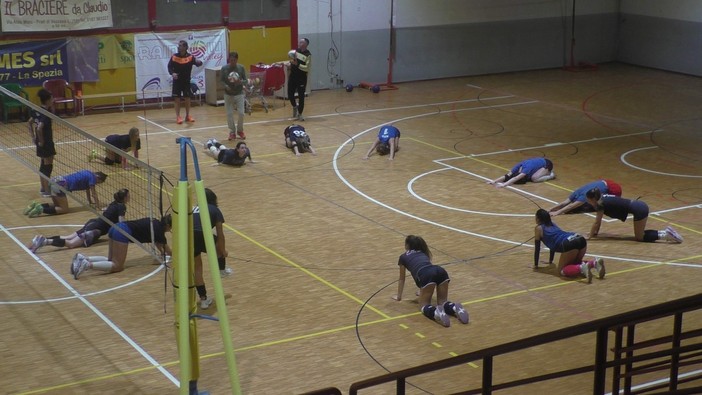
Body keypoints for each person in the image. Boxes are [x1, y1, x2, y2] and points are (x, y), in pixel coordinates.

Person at [391, 235, 469, 327]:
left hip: (426, 275)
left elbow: (402, 279)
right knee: (443, 302)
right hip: (440, 271)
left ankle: (436, 312)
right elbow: (428, 270)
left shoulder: (403, 257)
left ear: (407, 245)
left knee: (423, 306)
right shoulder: (423, 253)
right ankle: (455, 307)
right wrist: (422, 290)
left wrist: (399, 296)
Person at [71, 215, 173, 279]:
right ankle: (87, 265)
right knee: (117, 266)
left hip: (116, 227)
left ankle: (83, 258)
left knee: (111, 260)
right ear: (168, 226)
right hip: (123, 233)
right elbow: (168, 252)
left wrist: (162, 254)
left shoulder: (154, 222)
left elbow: (160, 246)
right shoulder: (160, 232)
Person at [29, 189, 130, 253]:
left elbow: (107, 211)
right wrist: (128, 235)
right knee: (71, 244)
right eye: (128, 195)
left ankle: (41, 239)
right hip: (94, 229)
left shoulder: (114, 203)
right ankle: (45, 241)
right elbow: (121, 223)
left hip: (92, 223)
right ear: (125, 197)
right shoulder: (121, 206)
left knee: (68, 237)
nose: (129, 197)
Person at [585, 188, 683, 243]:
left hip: (639, 210)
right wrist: (595, 233)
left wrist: (590, 236)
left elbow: (597, 221)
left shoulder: (600, 204)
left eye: (588, 200)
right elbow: (599, 221)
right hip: (639, 205)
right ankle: (665, 232)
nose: (587, 202)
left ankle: (667, 235)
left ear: (593, 199)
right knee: (640, 234)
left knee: (640, 237)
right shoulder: (603, 197)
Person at [534, 208, 605, 283]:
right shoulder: (553, 224)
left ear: (538, 219)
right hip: (579, 238)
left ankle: (581, 268)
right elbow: (552, 244)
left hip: (569, 243)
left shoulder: (538, 228)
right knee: (575, 263)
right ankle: (594, 263)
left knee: (561, 271)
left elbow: (537, 248)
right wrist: (550, 261)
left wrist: (536, 265)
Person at [192, 188, 230, 309]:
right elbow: (220, 234)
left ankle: (203, 300)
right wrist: (223, 251)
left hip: (188, 238)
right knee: (218, 244)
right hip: (202, 234)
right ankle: (222, 270)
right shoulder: (215, 210)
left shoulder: (193, 208)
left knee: (197, 268)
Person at [24, 170, 108, 217]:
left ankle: (35, 205)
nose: (97, 183)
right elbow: (94, 193)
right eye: (99, 182)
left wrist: (90, 202)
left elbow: (88, 190)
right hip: (60, 185)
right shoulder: (92, 178)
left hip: (55, 181)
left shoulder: (88, 172)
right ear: (98, 178)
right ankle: (41, 209)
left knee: (57, 205)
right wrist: (98, 207)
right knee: (64, 209)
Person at [168, 40, 203, 124]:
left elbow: (198, 63)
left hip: (186, 81)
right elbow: (169, 67)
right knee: (177, 99)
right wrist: (172, 73)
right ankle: (178, 117)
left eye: (180, 46)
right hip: (177, 81)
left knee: (187, 98)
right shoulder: (174, 57)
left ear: (185, 47)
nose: (178, 47)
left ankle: (187, 116)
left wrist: (199, 62)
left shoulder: (190, 57)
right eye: (178, 45)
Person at [29, 88, 56, 197]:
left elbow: (29, 122)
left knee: (43, 164)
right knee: (48, 166)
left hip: (40, 142)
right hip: (46, 143)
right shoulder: (46, 113)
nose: (53, 100)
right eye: (52, 98)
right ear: (48, 100)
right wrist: (42, 141)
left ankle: (43, 188)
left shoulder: (37, 109)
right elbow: (40, 128)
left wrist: (33, 137)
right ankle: (46, 190)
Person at [549, 179, 622, 216]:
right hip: (605, 183)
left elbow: (570, 206)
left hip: (614, 190)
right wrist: (550, 209)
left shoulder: (583, 197)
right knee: (589, 205)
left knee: (600, 206)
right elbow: (564, 203)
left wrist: (557, 212)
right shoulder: (575, 193)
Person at [221, 52, 247, 141]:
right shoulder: (224, 69)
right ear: (229, 60)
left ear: (237, 60)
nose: (232, 62)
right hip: (228, 94)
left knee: (241, 113)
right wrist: (226, 86)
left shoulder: (241, 68)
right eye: (231, 60)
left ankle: (240, 130)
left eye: (234, 60)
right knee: (229, 114)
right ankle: (232, 132)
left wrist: (240, 82)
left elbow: (246, 80)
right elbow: (221, 80)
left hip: (239, 93)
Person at [488, 157, 555, 188]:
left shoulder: (526, 169)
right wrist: (494, 181)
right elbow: (507, 176)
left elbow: (516, 178)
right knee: (531, 177)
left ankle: (550, 175)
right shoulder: (517, 167)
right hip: (540, 163)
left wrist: (504, 184)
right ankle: (543, 172)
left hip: (547, 164)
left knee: (534, 178)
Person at [287, 38, 311, 121]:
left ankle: (300, 114)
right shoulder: (295, 52)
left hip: (301, 78)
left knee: (301, 96)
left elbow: (307, 68)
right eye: (299, 42)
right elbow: (292, 61)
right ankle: (294, 106)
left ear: (305, 44)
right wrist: (290, 65)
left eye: (301, 42)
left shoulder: (308, 55)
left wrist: (298, 65)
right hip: (293, 76)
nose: (299, 43)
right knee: (290, 94)